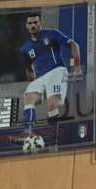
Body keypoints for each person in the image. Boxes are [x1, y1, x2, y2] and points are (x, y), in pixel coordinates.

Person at [19, 12, 81, 145]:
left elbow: (74, 45)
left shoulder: (52, 34)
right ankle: (28, 134)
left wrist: (76, 67)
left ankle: (54, 137)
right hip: (40, 77)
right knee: (28, 98)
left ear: (40, 23)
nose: (33, 25)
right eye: (30, 23)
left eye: (35, 22)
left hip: (57, 71)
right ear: (26, 26)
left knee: (51, 104)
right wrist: (33, 83)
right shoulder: (25, 48)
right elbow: (28, 68)